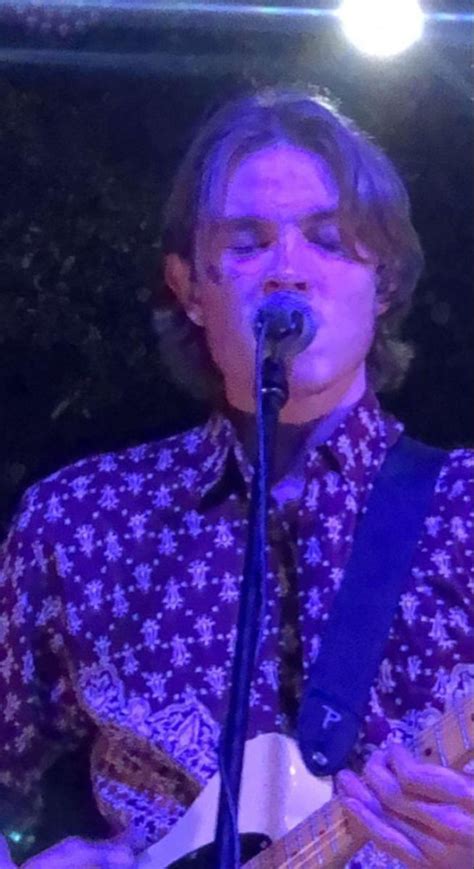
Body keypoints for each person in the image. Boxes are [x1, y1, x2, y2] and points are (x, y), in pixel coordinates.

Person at [0, 87, 472, 869]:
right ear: (189, 286)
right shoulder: (80, 522)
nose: (288, 270)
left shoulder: (462, 512)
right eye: (248, 242)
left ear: (383, 283)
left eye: (328, 238)